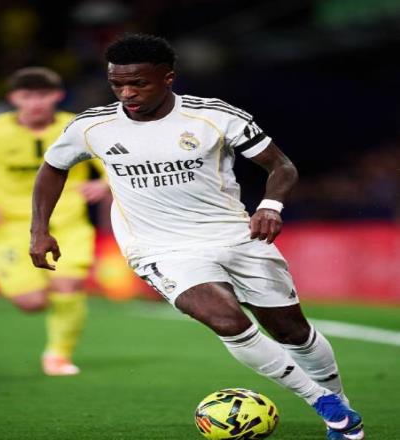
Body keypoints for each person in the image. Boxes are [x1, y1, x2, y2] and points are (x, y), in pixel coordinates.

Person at [29, 34, 364, 439]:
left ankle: (339, 404)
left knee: (292, 331)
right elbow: (53, 167)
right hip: (159, 247)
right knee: (227, 320)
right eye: (117, 84)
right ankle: (323, 402)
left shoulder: (215, 116)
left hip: (235, 236)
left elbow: (281, 166)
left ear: (168, 78)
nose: (127, 93)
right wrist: (39, 229)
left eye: (138, 83)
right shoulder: (92, 126)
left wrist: (269, 207)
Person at [0, 67, 109, 376]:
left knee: (68, 284)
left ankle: (59, 355)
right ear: (13, 98)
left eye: (43, 95)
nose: (35, 103)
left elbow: (115, 160)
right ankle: (49, 312)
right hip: (5, 224)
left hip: (66, 220)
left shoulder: (78, 128)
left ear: (58, 96)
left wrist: (104, 183)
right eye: (27, 96)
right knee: (31, 302)